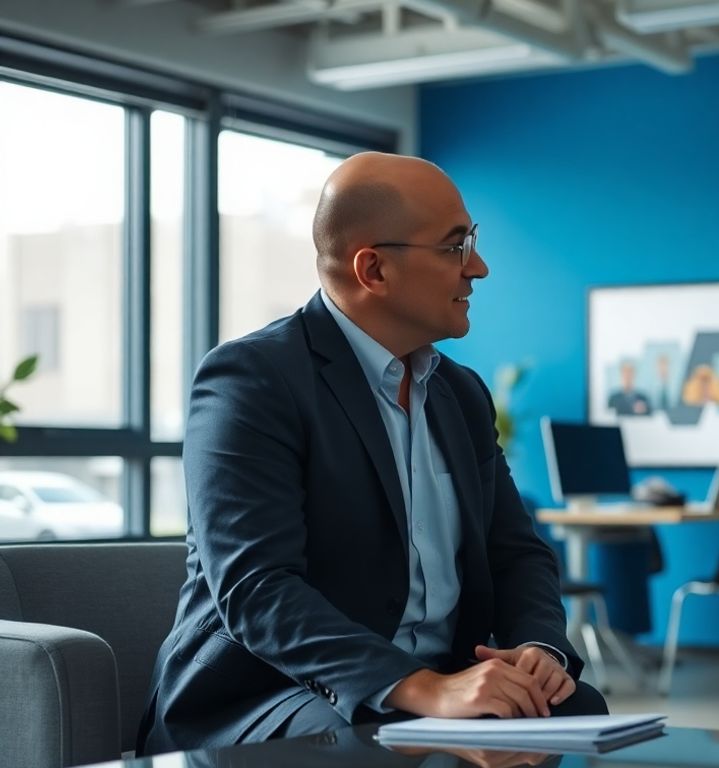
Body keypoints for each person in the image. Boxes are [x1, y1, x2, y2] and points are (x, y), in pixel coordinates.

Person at [137, 152, 606, 754]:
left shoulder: (460, 393)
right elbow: (257, 588)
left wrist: (538, 649)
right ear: (374, 269)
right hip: (271, 693)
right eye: (455, 246)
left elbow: (516, 552)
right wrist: (421, 688)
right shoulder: (251, 379)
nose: (479, 268)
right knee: (367, 744)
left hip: (442, 684)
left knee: (575, 707)